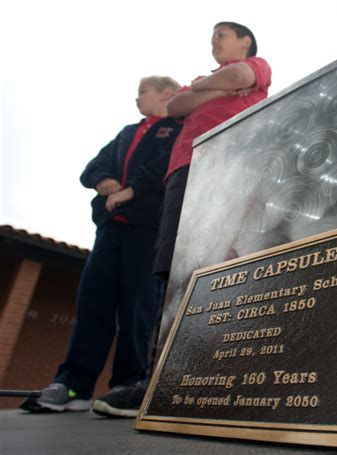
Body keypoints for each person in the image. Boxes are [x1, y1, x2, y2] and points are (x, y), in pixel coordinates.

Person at [91, 21, 272, 418]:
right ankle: (164, 380)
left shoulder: (257, 65)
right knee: (176, 271)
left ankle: (223, 375)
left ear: (246, 41)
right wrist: (216, 86)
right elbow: (176, 106)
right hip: (182, 172)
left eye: (221, 36)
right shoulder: (204, 79)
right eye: (211, 38)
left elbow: (240, 75)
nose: (214, 42)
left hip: (227, 165)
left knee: (221, 264)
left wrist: (209, 89)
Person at [21, 76, 182, 413]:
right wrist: (102, 180)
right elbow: (92, 168)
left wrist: (131, 189)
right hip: (110, 231)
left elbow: (161, 169)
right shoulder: (126, 133)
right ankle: (73, 385)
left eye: (143, 92)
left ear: (167, 94)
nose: (137, 98)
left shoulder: (176, 128)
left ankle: (126, 383)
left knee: (138, 307)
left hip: (146, 230)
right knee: (93, 304)